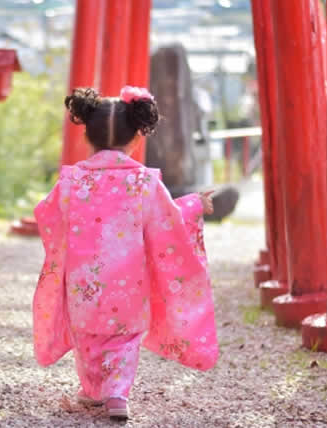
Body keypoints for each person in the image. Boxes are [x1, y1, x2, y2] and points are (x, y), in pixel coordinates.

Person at [32, 86, 218, 420]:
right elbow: (167, 222)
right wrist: (193, 204)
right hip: (128, 283)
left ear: (87, 136)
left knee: (87, 335)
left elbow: (46, 212)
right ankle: (116, 393)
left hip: (82, 281)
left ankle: (92, 391)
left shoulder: (73, 181)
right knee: (124, 338)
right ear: (135, 139)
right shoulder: (143, 182)